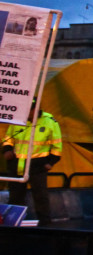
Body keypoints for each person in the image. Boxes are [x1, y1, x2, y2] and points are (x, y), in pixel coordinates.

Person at [2, 97, 62, 226]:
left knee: (40, 196)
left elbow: (57, 147)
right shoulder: (17, 120)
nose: (28, 113)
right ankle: (13, 224)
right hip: (16, 164)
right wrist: (7, 150)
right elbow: (8, 138)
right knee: (15, 196)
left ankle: (46, 225)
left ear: (37, 109)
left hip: (38, 166)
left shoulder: (50, 122)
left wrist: (50, 163)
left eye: (31, 110)